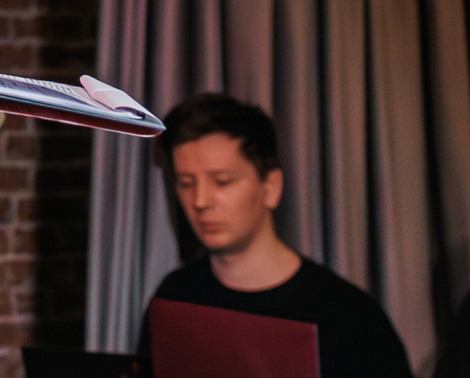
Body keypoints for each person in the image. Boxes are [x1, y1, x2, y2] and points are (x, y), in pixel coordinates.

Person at [141, 92, 412, 378]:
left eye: (222, 181)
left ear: (271, 187)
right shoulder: (175, 297)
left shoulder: (350, 317)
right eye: (186, 183)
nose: (200, 201)